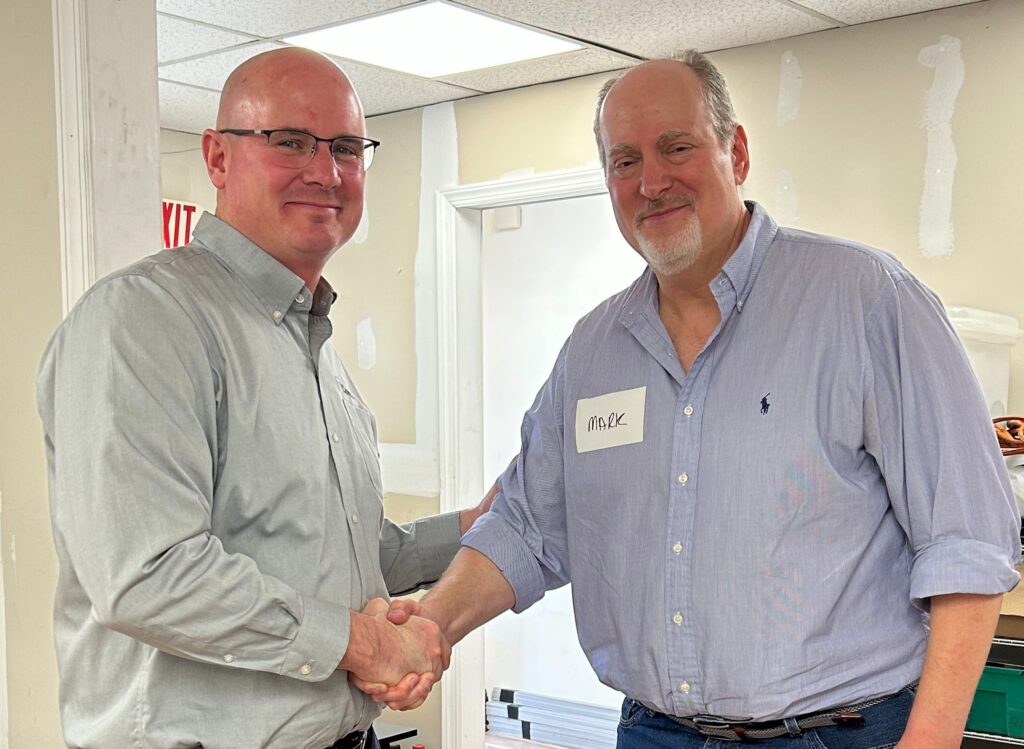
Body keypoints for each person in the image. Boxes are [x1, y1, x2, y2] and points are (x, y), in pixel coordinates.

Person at [358, 51, 1022, 748]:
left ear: (735, 153)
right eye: (624, 161)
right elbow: (526, 526)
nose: (651, 181)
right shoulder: (594, 350)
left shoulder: (865, 301)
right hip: (654, 731)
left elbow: (968, 543)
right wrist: (432, 623)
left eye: (677, 147)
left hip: (839, 733)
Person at [37, 47, 488, 749]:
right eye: (290, 142)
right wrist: (364, 644)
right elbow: (148, 575)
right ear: (218, 158)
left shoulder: (319, 357)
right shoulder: (143, 322)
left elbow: (352, 553)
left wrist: (484, 521)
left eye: (345, 147)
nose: (326, 171)